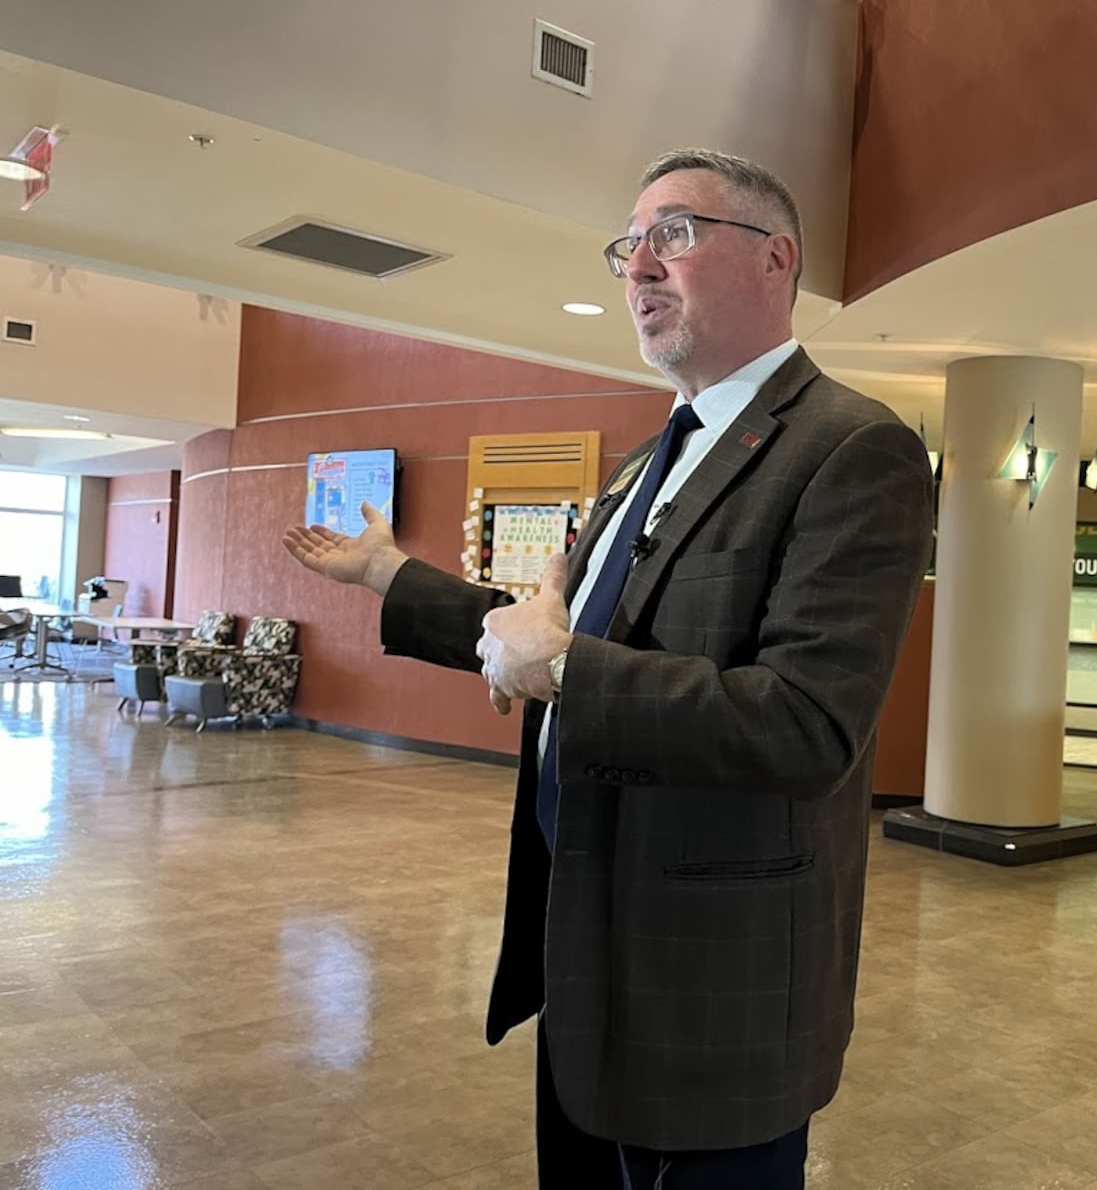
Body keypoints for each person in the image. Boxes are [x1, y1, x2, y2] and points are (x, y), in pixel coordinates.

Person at [282, 149, 934, 1189]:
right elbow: (551, 634)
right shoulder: (647, 458)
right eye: (629, 244)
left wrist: (573, 671)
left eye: (673, 233)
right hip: (586, 950)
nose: (638, 266)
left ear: (777, 260)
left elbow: (808, 724)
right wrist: (395, 578)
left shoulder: (853, 449)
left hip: (711, 980)